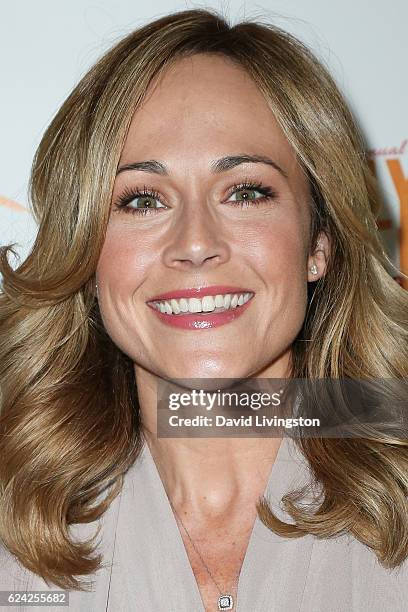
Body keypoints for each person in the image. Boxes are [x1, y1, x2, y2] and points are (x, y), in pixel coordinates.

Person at [1, 8, 408, 612]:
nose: (195, 242)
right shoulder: (16, 525)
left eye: (246, 192)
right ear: (87, 255)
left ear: (318, 244)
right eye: (142, 200)